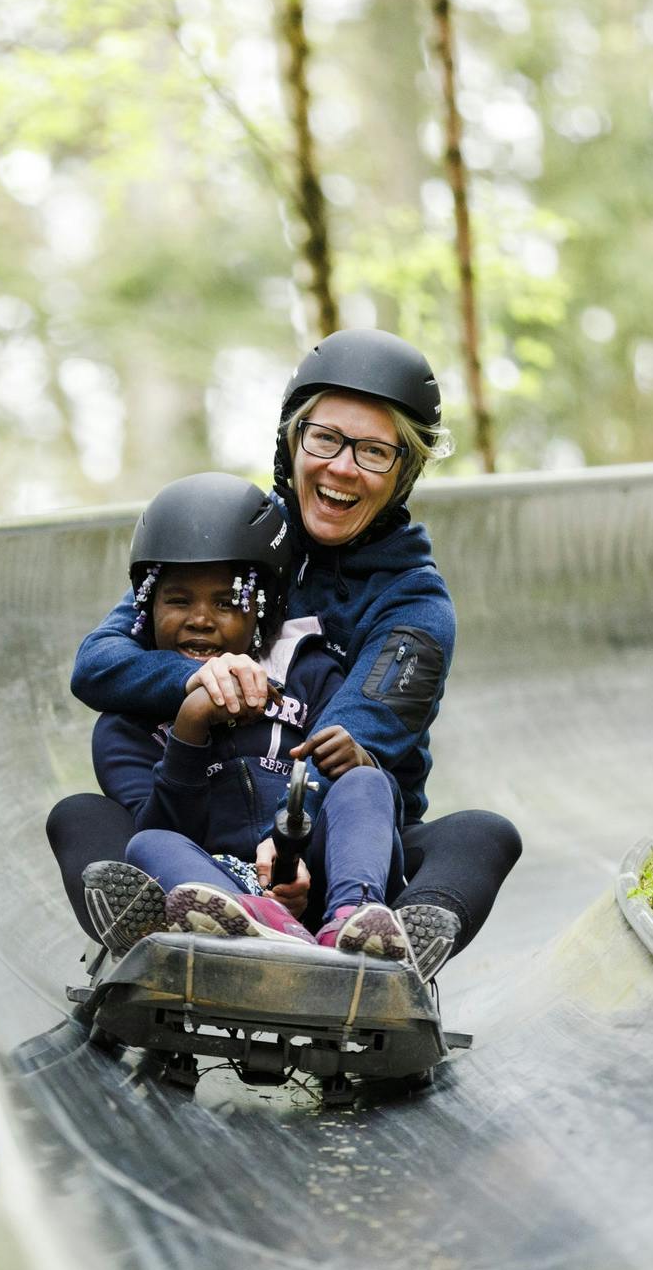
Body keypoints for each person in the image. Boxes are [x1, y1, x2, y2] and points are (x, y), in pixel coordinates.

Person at [48, 328, 521, 967]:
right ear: (291, 442)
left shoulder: (416, 604)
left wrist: (286, 843)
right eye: (325, 439)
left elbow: (357, 738)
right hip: (199, 826)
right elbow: (100, 663)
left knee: (484, 834)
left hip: (338, 844)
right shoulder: (232, 538)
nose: (342, 468)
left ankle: (382, 946)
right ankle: (166, 928)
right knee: (81, 815)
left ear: (403, 471)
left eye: (375, 452)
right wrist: (197, 681)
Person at [83, 472, 417, 963]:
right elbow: (168, 827)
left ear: (264, 614)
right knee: (148, 843)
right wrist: (190, 727)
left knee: (368, 784)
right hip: (213, 890)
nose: (200, 618)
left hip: (321, 875)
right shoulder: (123, 727)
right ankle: (254, 924)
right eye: (177, 600)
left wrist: (350, 768)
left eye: (228, 601)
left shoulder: (308, 673)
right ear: (146, 607)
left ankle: (355, 922)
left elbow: (361, 805)